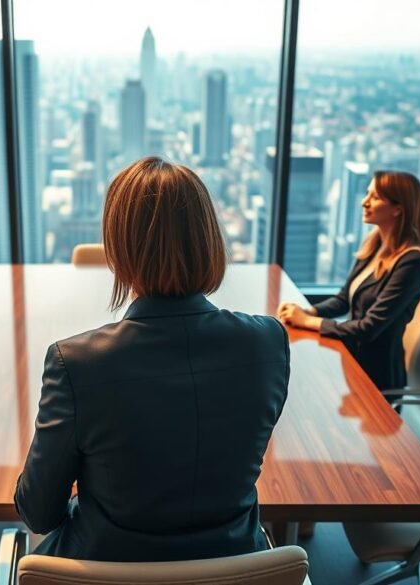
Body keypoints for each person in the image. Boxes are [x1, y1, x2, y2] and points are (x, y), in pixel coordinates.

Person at [14, 157, 291, 562]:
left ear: (119, 249)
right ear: (208, 239)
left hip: (107, 571)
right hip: (233, 568)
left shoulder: (75, 364)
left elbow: (38, 513)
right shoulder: (268, 344)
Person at [278, 170, 420, 391]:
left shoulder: (411, 263)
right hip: (352, 359)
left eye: (375, 197)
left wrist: (308, 322)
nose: (364, 202)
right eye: (367, 193)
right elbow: (344, 299)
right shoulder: (375, 244)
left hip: (376, 376)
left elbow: (368, 329)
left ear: (398, 208)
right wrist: (308, 312)